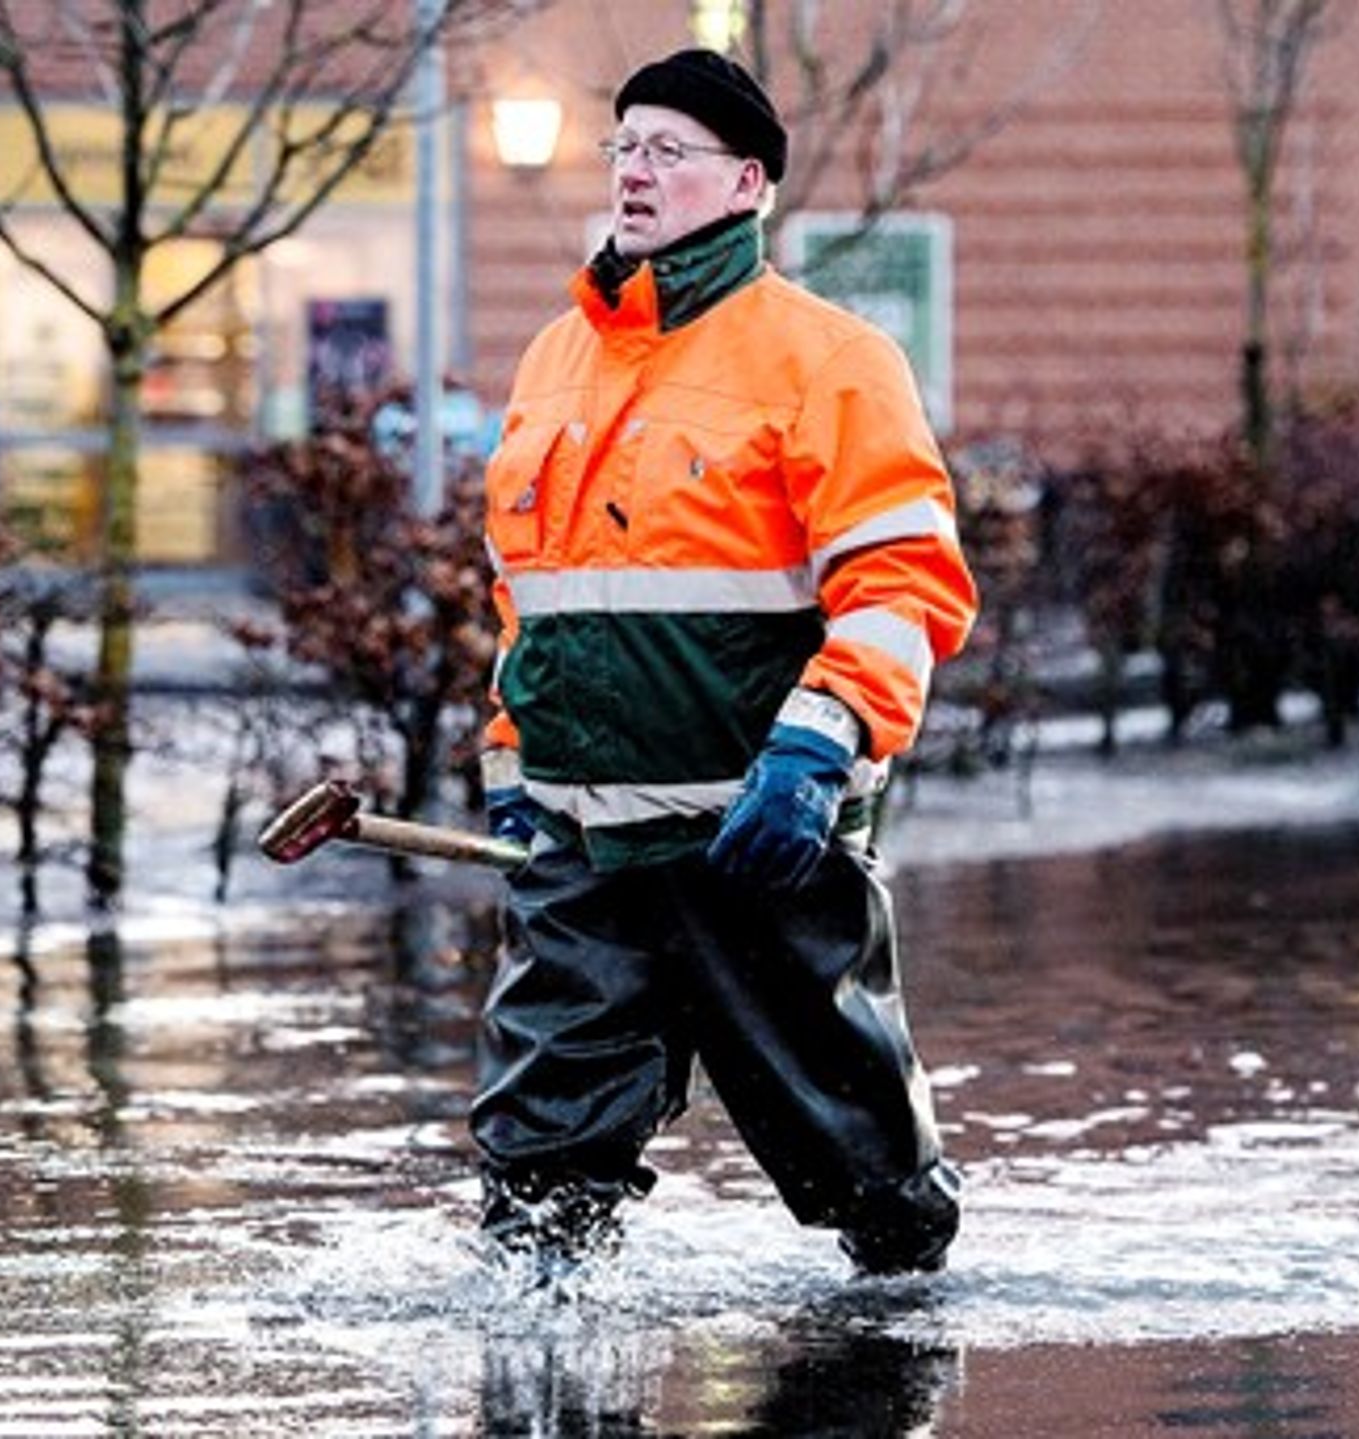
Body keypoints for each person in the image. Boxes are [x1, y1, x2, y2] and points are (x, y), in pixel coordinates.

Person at [470, 47, 979, 1283]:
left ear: (746, 182)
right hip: (582, 846)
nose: (634, 172)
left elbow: (902, 579)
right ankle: (540, 1377)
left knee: (863, 1169)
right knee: (536, 1175)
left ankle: (905, 1325)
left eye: (668, 152)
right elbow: (528, 598)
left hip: (760, 839)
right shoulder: (556, 361)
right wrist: (508, 754)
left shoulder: (828, 360)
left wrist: (822, 742)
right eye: (624, 146)